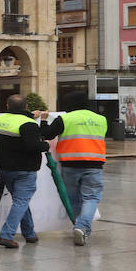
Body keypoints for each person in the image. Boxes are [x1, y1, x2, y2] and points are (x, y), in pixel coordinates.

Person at [40, 92, 107, 245]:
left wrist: (43, 120)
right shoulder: (101, 119)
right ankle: (82, 228)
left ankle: (81, 228)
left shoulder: (64, 119)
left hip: (70, 164)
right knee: (91, 197)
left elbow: (46, 135)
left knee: (73, 199)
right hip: (94, 164)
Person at [0, 94, 50, 248]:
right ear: (26, 107)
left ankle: (29, 233)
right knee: (21, 201)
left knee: (20, 201)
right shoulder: (29, 124)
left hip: (5, 168)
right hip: (25, 169)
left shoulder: (2, 120)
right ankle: (6, 235)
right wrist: (46, 145)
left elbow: (17, 123)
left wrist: (32, 116)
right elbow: (33, 146)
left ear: (7, 106)